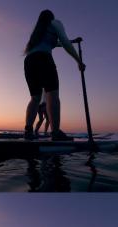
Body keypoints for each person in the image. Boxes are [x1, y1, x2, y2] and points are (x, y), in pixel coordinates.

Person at [24, 10, 85, 141]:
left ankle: (28, 131)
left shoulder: (37, 32)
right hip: (44, 59)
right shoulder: (55, 22)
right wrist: (78, 61)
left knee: (35, 98)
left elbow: (57, 43)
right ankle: (55, 133)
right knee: (52, 96)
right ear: (51, 17)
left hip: (29, 61)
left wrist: (73, 41)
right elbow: (63, 41)